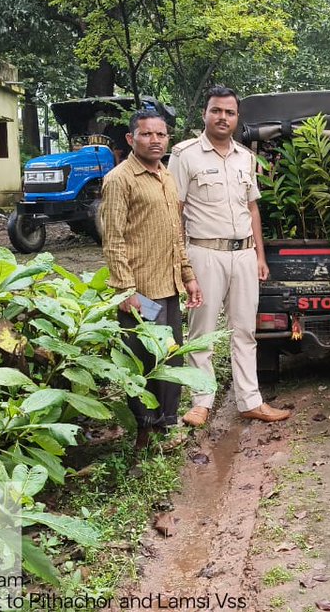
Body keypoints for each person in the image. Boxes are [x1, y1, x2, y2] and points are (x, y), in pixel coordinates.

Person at [173, 85, 291, 426]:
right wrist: (182, 264)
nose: (222, 117)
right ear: (205, 114)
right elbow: (174, 211)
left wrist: (260, 256)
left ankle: (250, 400)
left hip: (244, 255)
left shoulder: (245, 156)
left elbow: (252, 208)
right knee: (203, 333)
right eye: (216, 110)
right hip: (203, 253)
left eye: (229, 112)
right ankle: (201, 403)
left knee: (245, 331)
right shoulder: (184, 155)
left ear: (237, 118)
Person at [100, 110, 204, 448]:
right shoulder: (120, 179)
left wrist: (188, 276)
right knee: (142, 361)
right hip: (140, 292)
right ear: (131, 139)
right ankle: (144, 433)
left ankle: (164, 426)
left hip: (168, 286)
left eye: (161, 134)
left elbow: (176, 233)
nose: (155, 140)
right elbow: (113, 240)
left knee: (169, 357)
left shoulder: (166, 176)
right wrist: (126, 289)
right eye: (147, 134)